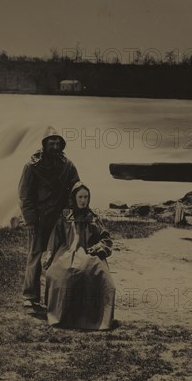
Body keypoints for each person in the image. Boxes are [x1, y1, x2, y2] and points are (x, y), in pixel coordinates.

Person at [18, 126, 80, 309]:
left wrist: (70, 208)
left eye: (58, 142)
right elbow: (25, 196)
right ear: (44, 144)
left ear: (62, 144)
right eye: (51, 142)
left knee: (59, 257)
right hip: (38, 220)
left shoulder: (68, 165)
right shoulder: (32, 167)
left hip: (60, 219)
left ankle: (55, 297)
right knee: (35, 256)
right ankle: (30, 295)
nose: (55, 145)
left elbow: (75, 187)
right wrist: (29, 221)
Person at [42, 182, 116, 330]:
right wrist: (49, 256)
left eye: (86, 197)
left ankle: (94, 319)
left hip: (89, 251)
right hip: (67, 251)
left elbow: (106, 238)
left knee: (102, 278)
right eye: (80, 197)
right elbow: (54, 239)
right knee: (61, 275)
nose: (83, 200)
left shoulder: (92, 217)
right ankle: (63, 317)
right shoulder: (65, 217)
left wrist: (97, 247)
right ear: (74, 198)